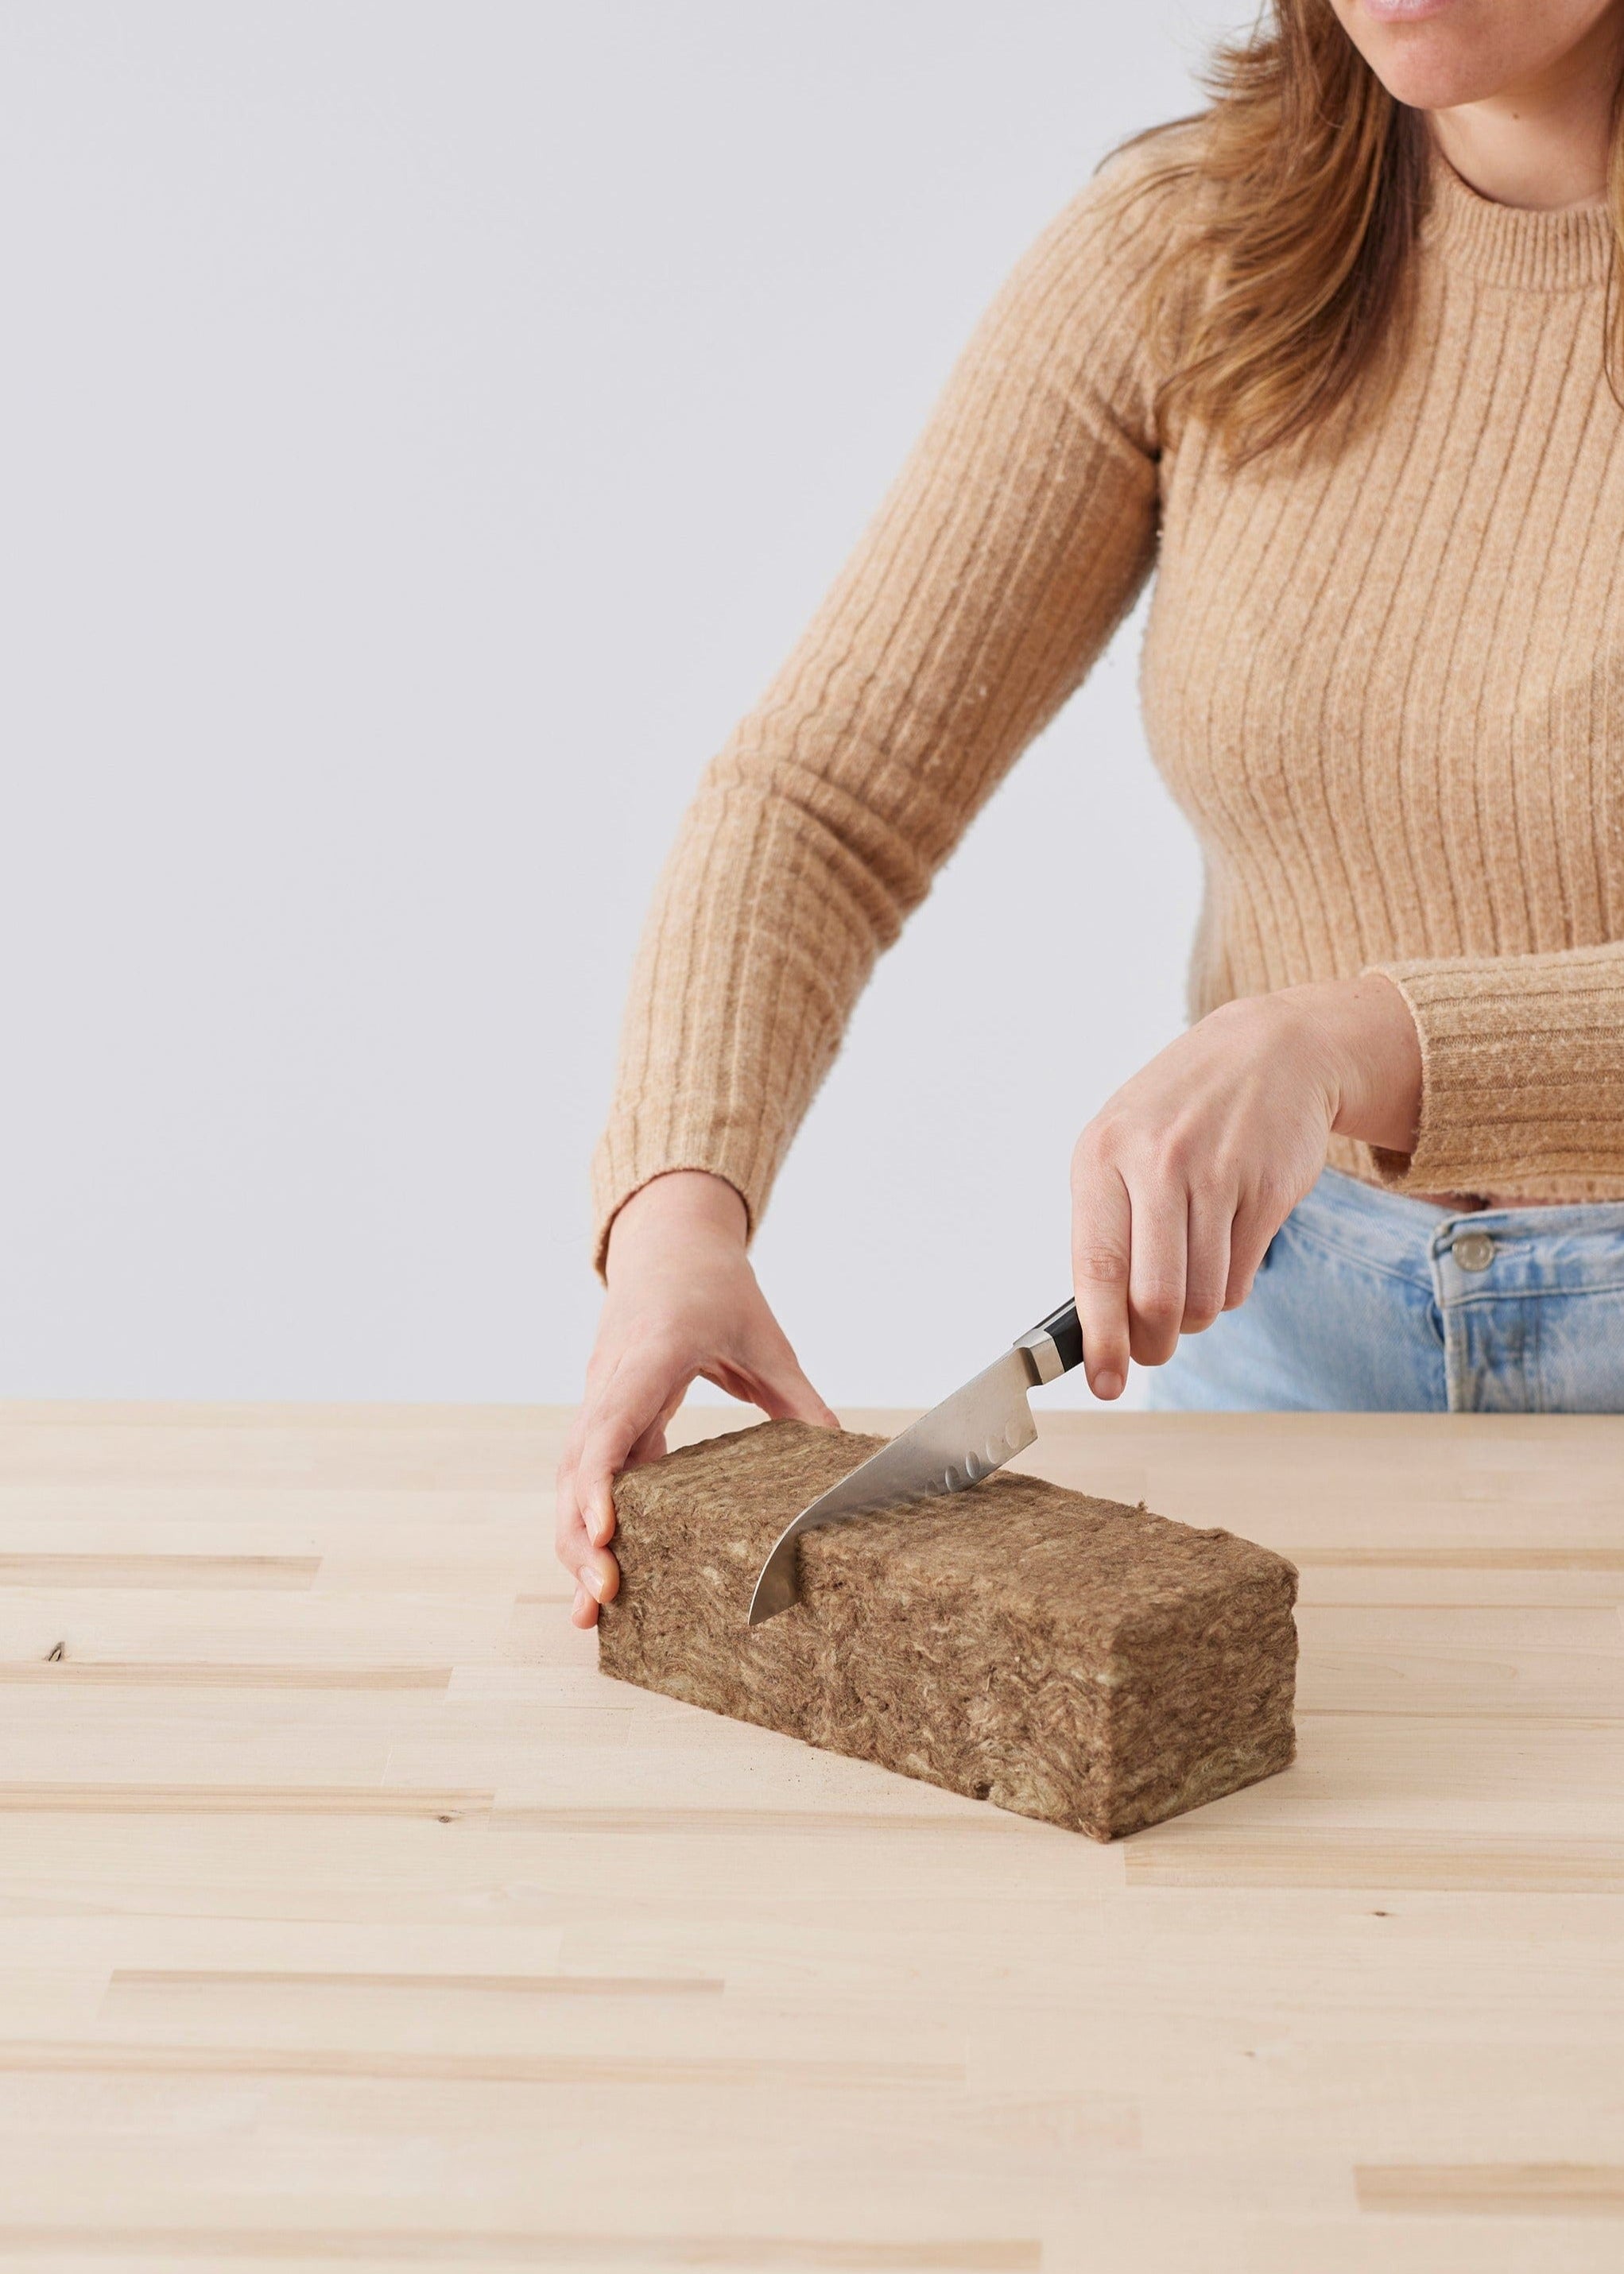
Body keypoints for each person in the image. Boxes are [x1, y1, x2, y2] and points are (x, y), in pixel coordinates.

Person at [559, 0, 1624, 1626]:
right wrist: (675, 1218)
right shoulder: (1193, 244)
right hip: (1287, 1349)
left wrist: (1348, 1041)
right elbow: (824, 796)